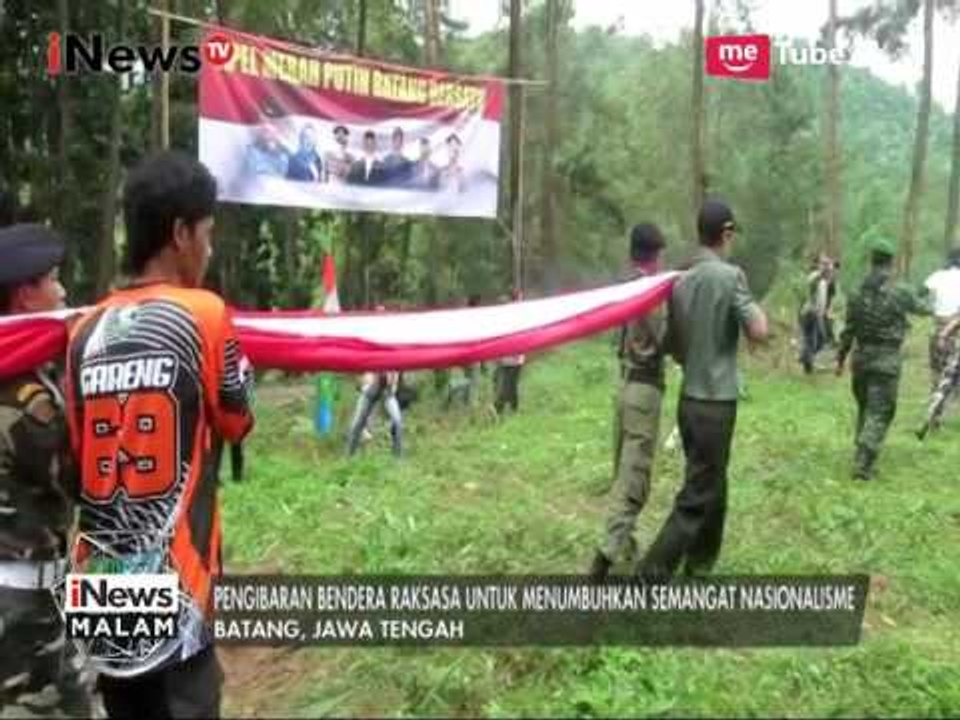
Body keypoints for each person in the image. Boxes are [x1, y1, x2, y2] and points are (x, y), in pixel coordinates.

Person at [64, 151, 254, 717]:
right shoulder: (205, 314)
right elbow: (238, 419)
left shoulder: (82, 333)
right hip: (175, 589)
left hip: (100, 588)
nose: (210, 249)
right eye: (207, 234)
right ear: (179, 234)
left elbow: (78, 459)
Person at [637, 200, 768, 578]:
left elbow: (673, 345)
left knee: (713, 479)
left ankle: (701, 561)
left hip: (689, 401)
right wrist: (755, 312)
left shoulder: (680, 280)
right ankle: (650, 575)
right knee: (697, 495)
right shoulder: (731, 277)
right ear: (726, 234)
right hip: (717, 403)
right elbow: (758, 331)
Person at [0, 223, 95, 718]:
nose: (62, 291)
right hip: (24, 605)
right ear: (25, 297)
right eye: (53, 280)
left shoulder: (22, 382)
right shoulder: (28, 404)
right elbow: (81, 482)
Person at [590, 224, 668, 580]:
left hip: (623, 385)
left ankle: (627, 546)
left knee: (622, 466)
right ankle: (602, 560)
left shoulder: (626, 287)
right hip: (644, 388)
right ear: (657, 255)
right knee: (634, 478)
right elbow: (664, 337)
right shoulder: (648, 293)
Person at [836, 238, 926, 480]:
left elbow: (849, 329)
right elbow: (924, 308)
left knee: (866, 407)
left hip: (861, 358)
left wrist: (840, 358)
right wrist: (927, 294)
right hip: (886, 360)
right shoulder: (901, 292)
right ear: (891, 262)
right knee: (881, 411)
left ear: (872, 260)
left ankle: (861, 450)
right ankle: (863, 464)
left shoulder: (856, 291)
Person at [922, 248, 960, 392]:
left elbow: (921, 292)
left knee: (937, 366)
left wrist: (930, 307)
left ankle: (936, 394)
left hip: (939, 324)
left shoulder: (938, 276)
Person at [346, 371, 404, 457]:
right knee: (357, 424)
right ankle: (349, 456)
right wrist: (364, 383)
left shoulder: (393, 360)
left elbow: (396, 373)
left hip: (387, 392)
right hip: (370, 391)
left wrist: (393, 382)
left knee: (397, 421)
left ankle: (398, 456)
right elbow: (360, 373)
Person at [798, 255, 837, 373]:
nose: (830, 271)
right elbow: (811, 283)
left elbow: (824, 301)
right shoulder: (816, 277)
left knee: (816, 339)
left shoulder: (824, 282)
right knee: (815, 339)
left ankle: (806, 358)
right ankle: (807, 361)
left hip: (813, 313)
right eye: (827, 268)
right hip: (811, 313)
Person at [493, 290, 526, 415]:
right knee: (509, 385)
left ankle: (502, 409)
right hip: (507, 358)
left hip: (515, 358)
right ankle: (508, 409)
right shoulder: (507, 318)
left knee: (509, 385)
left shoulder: (517, 316)